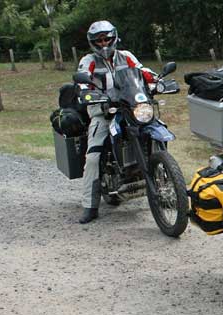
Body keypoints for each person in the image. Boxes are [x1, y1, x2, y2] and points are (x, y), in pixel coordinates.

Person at [77, 20, 156, 224]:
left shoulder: (126, 56)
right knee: (93, 157)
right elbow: (83, 77)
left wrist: (157, 80)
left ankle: (166, 185)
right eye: (99, 40)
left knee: (154, 132)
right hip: (103, 114)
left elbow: (142, 71)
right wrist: (85, 90)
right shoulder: (89, 60)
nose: (104, 44)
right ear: (93, 42)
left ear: (114, 38)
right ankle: (90, 206)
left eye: (107, 39)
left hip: (130, 108)